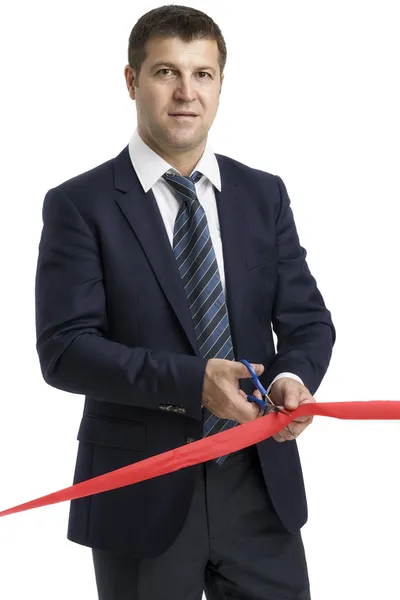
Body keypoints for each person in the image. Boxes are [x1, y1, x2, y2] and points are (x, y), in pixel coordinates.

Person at [35, 5, 336, 599]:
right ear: (131, 81)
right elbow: (64, 350)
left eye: (202, 74)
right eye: (165, 72)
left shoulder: (263, 194)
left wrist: (293, 377)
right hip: (139, 494)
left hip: (259, 485)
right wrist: (194, 381)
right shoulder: (80, 205)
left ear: (221, 83)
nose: (185, 93)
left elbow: (306, 322)